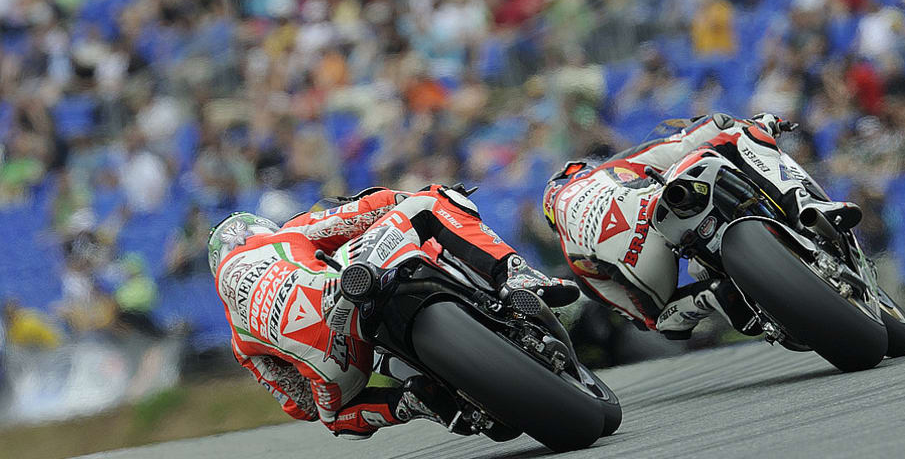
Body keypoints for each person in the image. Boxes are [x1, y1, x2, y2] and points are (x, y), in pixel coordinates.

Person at [209, 185, 577, 439]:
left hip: (333, 364)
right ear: (259, 228)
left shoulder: (238, 336)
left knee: (333, 418)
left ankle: (408, 404)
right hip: (341, 288)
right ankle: (516, 274)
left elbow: (300, 404)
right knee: (431, 201)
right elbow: (370, 209)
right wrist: (404, 198)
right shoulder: (286, 234)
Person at [541, 113, 861, 340]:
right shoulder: (609, 169)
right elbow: (700, 133)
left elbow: (642, 318)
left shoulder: (572, 251)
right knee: (740, 136)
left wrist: (664, 314)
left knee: (660, 318)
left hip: (639, 267)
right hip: (647, 205)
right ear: (581, 170)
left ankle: (712, 296)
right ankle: (805, 207)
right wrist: (762, 123)